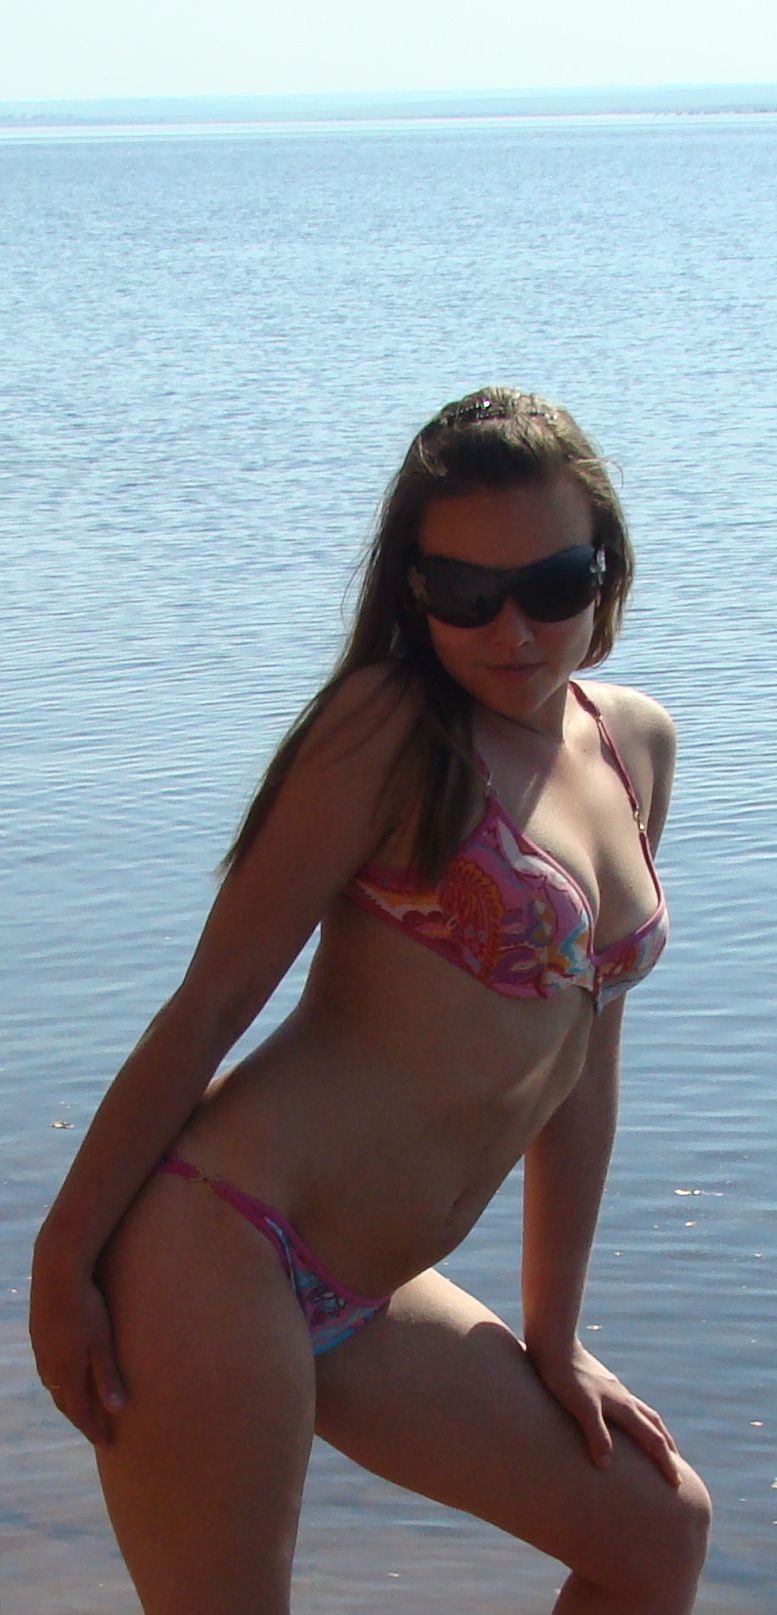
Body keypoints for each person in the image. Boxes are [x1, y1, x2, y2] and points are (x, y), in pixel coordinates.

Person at [29, 386, 711, 1615]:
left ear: (606, 567)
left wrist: (555, 1334)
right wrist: (63, 1260)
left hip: (371, 1285)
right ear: (413, 591)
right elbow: (211, 1002)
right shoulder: (387, 734)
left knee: (658, 1533)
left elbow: (581, 1068)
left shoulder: (636, 746)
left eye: (552, 584)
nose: (513, 630)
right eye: (465, 593)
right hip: (219, 1243)